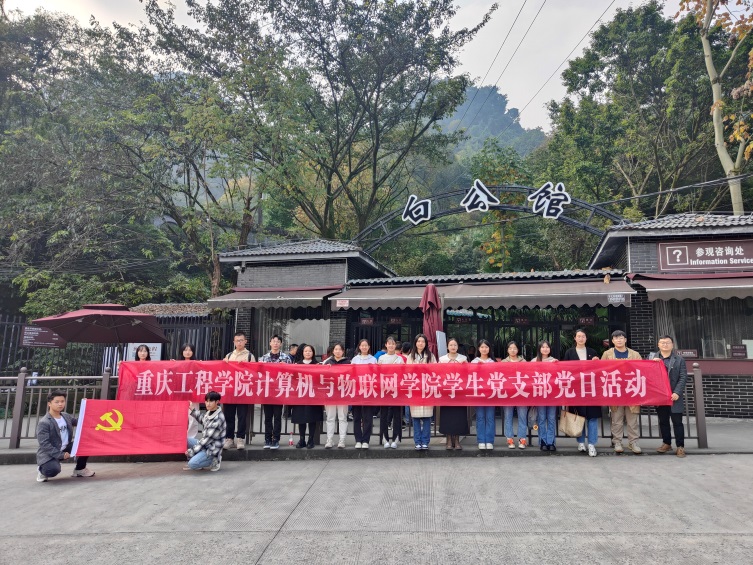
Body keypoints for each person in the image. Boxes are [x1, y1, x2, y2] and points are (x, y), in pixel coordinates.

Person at [36, 390, 94, 482]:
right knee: (53, 470)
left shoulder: (65, 416)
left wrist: (85, 407)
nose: (60, 404)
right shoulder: (44, 422)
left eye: (62, 401)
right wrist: (61, 455)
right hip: (49, 453)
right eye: (57, 402)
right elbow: (44, 445)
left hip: (66, 448)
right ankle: (42, 470)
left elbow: (80, 422)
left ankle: (80, 469)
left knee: (87, 444)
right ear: (49, 404)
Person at [602, 330, 643, 454]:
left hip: (632, 390)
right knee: (616, 419)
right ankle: (617, 442)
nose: (619, 340)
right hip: (615, 391)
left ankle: (633, 442)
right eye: (616, 338)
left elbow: (642, 370)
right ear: (612, 341)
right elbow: (601, 370)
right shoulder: (607, 354)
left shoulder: (635, 354)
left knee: (632, 420)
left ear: (625, 340)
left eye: (621, 338)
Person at [562, 329, 601, 457]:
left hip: (591, 390)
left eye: (583, 336)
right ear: (575, 338)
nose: (581, 338)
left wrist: (597, 361)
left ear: (586, 338)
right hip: (576, 390)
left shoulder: (592, 352)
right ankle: (580, 442)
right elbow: (565, 369)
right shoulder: (569, 352)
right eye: (578, 336)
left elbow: (599, 370)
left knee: (592, 417)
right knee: (579, 416)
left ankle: (592, 444)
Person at [650, 335, 689, 458]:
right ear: (658, 344)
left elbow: (683, 377)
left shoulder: (679, 359)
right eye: (662, 342)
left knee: (677, 422)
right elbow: (648, 376)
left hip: (674, 396)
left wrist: (677, 392)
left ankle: (680, 446)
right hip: (660, 396)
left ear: (672, 345)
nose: (665, 344)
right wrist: (652, 364)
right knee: (663, 421)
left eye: (667, 342)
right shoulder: (652, 358)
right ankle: (666, 443)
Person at [222, 331, 255, 450]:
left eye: (241, 340)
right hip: (230, 390)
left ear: (245, 341)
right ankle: (229, 438)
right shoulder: (229, 355)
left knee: (242, 416)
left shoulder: (250, 356)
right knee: (229, 416)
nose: (239, 342)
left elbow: (254, 373)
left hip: (243, 391)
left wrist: (246, 366)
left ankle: (240, 438)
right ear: (234, 342)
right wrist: (223, 363)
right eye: (237, 340)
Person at [260, 334, 292, 449]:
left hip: (279, 391)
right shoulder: (263, 358)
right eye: (273, 341)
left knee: (277, 417)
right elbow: (258, 373)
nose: (275, 343)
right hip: (267, 391)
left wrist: (286, 367)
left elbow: (292, 373)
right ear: (270, 343)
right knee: (268, 417)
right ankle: (267, 439)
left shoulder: (286, 358)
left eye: (278, 342)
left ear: (281, 344)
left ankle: (276, 439)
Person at [407, 333, 436, 451]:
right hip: (415, 389)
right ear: (415, 343)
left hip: (427, 389)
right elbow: (407, 371)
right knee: (416, 418)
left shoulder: (431, 356)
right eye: (418, 341)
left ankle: (425, 441)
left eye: (423, 341)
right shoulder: (411, 356)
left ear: (426, 343)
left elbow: (435, 370)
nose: (420, 343)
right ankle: (417, 441)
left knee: (427, 418)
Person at [184, 390, 227, 472]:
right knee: (185, 440)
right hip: (206, 445)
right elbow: (202, 419)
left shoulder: (218, 419)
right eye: (206, 401)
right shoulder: (210, 412)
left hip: (212, 450)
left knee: (192, 464)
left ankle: (214, 460)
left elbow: (205, 441)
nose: (208, 404)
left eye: (211, 401)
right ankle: (199, 459)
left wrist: (191, 451)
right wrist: (192, 409)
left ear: (217, 402)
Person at [291, 344, 323, 449]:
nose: (308, 353)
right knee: (301, 418)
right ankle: (302, 439)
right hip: (300, 395)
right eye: (306, 351)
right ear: (302, 353)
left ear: (313, 353)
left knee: (312, 418)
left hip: (313, 395)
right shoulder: (297, 364)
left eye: (310, 351)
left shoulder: (317, 365)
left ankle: (311, 439)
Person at [439, 337, 469, 450]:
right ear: (447, 347)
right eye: (451, 345)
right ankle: (448, 439)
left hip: (459, 392)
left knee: (458, 416)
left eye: (455, 345)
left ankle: (456, 440)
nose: (453, 347)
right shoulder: (442, 359)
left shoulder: (463, 358)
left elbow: (468, 373)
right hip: (446, 391)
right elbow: (438, 374)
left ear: (458, 347)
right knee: (447, 415)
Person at [378, 336, 405, 449]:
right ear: (386, 345)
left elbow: (403, 374)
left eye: (393, 344)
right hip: (384, 390)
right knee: (384, 414)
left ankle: (395, 438)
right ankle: (385, 438)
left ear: (395, 345)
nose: (391, 345)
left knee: (397, 414)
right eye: (389, 343)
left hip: (396, 390)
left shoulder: (400, 359)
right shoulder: (381, 358)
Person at [501, 340, 529, 449]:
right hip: (508, 394)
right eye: (510, 348)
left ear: (518, 350)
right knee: (508, 416)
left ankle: (522, 439)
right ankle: (510, 439)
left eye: (515, 348)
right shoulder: (503, 362)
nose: (512, 350)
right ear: (507, 350)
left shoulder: (523, 362)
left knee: (522, 416)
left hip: (521, 392)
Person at [350, 339, 377, 448]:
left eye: (366, 345)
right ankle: (358, 440)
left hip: (369, 391)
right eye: (362, 345)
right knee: (357, 417)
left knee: (367, 417)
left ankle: (366, 440)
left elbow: (376, 374)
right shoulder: (355, 359)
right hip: (357, 391)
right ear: (359, 347)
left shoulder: (373, 359)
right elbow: (351, 373)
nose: (364, 347)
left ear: (369, 347)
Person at [323, 342, 350, 448]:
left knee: (342, 417)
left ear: (343, 351)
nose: (338, 351)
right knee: (330, 417)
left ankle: (342, 440)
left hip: (343, 393)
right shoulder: (327, 362)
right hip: (330, 393)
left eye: (340, 349)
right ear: (333, 351)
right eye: (336, 349)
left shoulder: (348, 362)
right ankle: (329, 439)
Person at [472, 339, 496, 450]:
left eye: (486, 347)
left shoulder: (493, 362)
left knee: (490, 417)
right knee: (480, 417)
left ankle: (490, 440)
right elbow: (469, 375)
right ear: (478, 349)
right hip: (479, 394)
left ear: (489, 349)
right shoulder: (474, 362)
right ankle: (481, 440)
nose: (484, 349)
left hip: (491, 394)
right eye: (482, 347)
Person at [535, 340, 558, 451]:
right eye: (543, 347)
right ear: (539, 349)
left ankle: (551, 441)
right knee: (542, 418)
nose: (545, 349)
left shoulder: (554, 361)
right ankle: (543, 441)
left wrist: (557, 365)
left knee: (552, 418)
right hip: (539, 394)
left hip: (552, 395)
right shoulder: (534, 361)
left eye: (547, 347)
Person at [179, 343, 201, 440]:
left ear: (193, 352)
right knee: (180, 416)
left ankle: (190, 438)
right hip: (180, 393)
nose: (187, 352)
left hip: (193, 394)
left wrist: (202, 365)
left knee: (193, 416)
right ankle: (180, 437)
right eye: (185, 350)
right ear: (182, 352)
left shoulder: (197, 363)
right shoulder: (178, 363)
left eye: (190, 350)